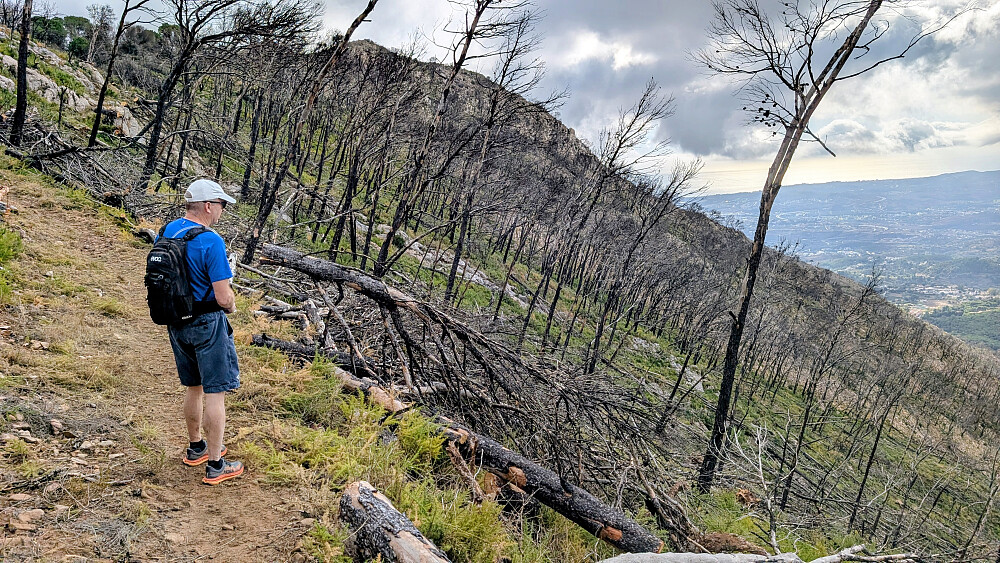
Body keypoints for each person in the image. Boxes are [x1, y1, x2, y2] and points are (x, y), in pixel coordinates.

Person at [158, 178, 244, 485]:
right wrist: (232, 306)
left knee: (192, 387)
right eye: (220, 205)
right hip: (207, 322)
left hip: (176, 320)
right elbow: (223, 297)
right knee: (215, 392)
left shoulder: (168, 230)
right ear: (208, 206)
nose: (222, 211)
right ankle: (217, 464)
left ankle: (196, 447)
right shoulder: (211, 241)